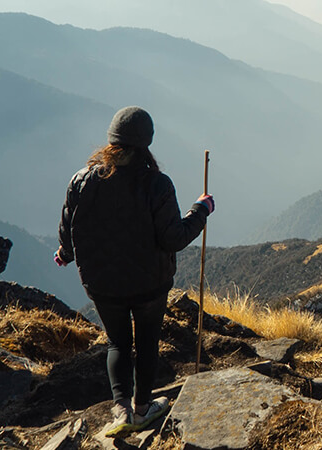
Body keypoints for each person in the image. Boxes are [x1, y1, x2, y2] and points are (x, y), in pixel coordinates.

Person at [55, 106, 213, 438]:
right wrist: (201, 210)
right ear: (146, 142)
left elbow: (70, 225)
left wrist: (66, 254)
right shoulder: (157, 184)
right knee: (147, 343)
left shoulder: (82, 180)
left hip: (101, 285)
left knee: (118, 343)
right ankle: (143, 409)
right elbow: (174, 238)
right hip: (149, 285)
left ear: (112, 140)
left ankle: (121, 408)